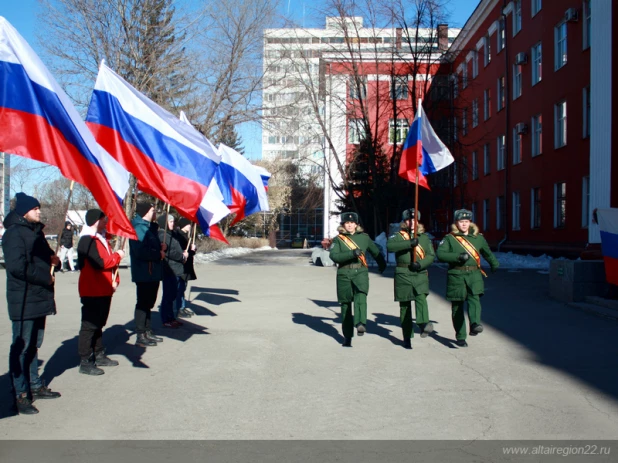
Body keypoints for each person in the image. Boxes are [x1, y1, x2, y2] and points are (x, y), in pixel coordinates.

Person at [3, 193, 61, 415]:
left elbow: (45, 257)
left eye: (39, 208)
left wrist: (53, 260)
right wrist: (44, 276)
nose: (39, 211)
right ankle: (20, 394)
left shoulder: (36, 232)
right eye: (35, 208)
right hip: (24, 299)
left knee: (34, 344)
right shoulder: (14, 234)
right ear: (24, 211)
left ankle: (34, 386)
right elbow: (17, 267)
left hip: (39, 297)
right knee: (22, 346)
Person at [436, 209, 499, 347]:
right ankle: (460, 336)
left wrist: (494, 264)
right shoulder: (449, 239)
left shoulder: (478, 238)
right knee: (457, 307)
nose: (464, 224)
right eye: (461, 222)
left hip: (474, 274)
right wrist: (457, 257)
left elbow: (487, 253)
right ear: (456, 223)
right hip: (456, 275)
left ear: (470, 222)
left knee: (474, 299)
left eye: (466, 221)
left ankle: (475, 323)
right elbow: (440, 254)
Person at [76, 209, 125, 375]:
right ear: (95, 220)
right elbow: (99, 263)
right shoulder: (87, 240)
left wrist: (114, 280)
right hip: (92, 289)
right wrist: (117, 256)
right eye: (103, 219)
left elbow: (108, 265)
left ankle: (98, 353)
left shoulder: (102, 239)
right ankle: (85, 360)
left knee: (99, 324)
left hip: (103, 288)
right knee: (89, 326)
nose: (106, 222)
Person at [329, 212, 386, 347]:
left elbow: (375, 251)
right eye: (347, 223)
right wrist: (351, 253)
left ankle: (360, 323)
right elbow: (334, 256)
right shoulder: (338, 240)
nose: (350, 225)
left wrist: (382, 264)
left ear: (356, 224)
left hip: (360, 271)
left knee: (361, 296)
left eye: (352, 223)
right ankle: (347, 336)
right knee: (345, 306)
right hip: (344, 273)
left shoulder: (364, 238)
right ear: (343, 225)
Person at [386, 208, 435, 349]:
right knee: (405, 306)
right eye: (408, 220)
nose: (411, 222)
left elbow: (431, 256)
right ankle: (407, 336)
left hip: (419, 272)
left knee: (421, 298)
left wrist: (420, 264)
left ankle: (423, 323)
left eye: (414, 220)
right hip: (403, 272)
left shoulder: (424, 237)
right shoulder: (398, 236)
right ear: (404, 221)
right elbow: (390, 246)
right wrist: (409, 243)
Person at [129, 202, 164, 347]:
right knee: (143, 303)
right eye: (152, 210)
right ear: (145, 212)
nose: (155, 212)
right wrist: (158, 254)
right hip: (144, 271)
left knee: (149, 303)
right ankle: (140, 333)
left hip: (152, 271)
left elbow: (151, 247)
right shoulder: (139, 228)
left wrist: (161, 248)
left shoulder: (150, 228)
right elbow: (140, 251)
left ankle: (148, 330)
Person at [157, 213, 185, 327]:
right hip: (169, 269)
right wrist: (181, 256)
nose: (172, 223)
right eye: (170, 221)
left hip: (176, 269)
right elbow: (169, 252)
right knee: (168, 295)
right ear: (165, 223)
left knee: (173, 294)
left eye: (173, 221)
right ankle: (166, 319)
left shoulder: (171, 234)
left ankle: (171, 317)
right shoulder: (162, 235)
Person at [175, 218, 197, 318]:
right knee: (180, 288)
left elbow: (189, 253)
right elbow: (184, 253)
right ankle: (179, 308)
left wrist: (193, 250)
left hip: (186, 266)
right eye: (188, 224)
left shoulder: (185, 236)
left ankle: (182, 307)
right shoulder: (179, 236)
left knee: (183, 288)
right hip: (182, 266)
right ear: (183, 225)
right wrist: (191, 251)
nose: (190, 226)